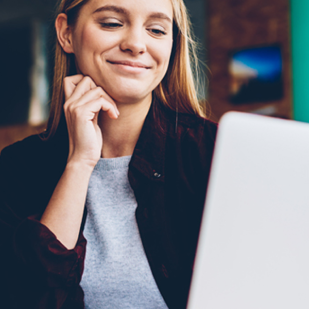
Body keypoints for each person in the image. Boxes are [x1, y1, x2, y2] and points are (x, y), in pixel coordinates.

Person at [0, 0, 217, 308]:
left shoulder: (214, 154)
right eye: (112, 23)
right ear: (66, 33)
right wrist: (79, 163)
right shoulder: (15, 169)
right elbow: (29, 299)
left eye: (156, 29)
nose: (136, 44)